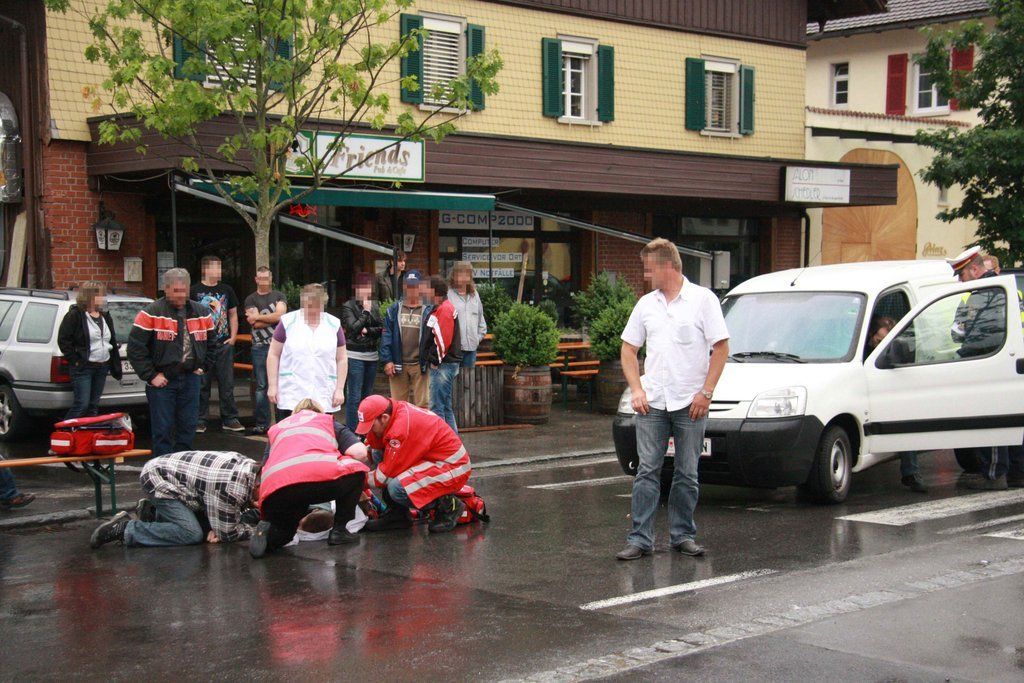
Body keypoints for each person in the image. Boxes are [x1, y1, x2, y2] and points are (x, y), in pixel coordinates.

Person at [616, 238, 730, 561]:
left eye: (649, 269)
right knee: (647, 471)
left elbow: (721, 347)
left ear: (668, 267)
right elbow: (628, 349)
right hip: (653, 402)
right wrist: (637, 389)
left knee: (687, 472)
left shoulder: (703, 300)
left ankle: (683, 536)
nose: (646, 275)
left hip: (690, 402)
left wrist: (706, 392)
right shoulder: (646, 305)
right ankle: (640, 539)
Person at [249, 398, 370, 557]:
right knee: (355, 469)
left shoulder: (277, 429)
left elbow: (265, 467)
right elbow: (360, 453)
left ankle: (268, 536)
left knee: (286, 533)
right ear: (320, 412)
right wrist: (338, 456)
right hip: (316, 483)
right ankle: (340, 530)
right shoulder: (327, 421)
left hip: (278, 489)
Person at [127, 268, 217, 457]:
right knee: (163, 430)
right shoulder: (151, 312)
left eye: (184, 290)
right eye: (176, 291)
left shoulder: (202, 312)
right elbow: (135, 349)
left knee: (188, 428)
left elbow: (213, 344)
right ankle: (161, 467)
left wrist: (203, 367)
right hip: (163, 381)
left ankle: (181, 467)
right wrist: (151, 375)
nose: (181, 295)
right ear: (166, 289)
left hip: (191, 378)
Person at [89, 450, 259, 548]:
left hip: (170, 475)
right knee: (192, 534)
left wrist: (222, 526)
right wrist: (257, 531)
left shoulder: (250, 467)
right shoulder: (232, 487)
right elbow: (228, 534)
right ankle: (127, 529)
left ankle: (153, 512)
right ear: (257, 485)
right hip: (158, 479)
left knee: (212, 523)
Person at [355, 395, 471, 534]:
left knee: (397, 488)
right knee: (377, 453)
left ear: (384, 418)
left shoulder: (400, 429)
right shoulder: (393, 413)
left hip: (452, 466)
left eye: (371, 426)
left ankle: (448, 505)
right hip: (432, 458)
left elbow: (384, 476)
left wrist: (354, 483)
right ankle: (398, 515)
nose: (369, 431)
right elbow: (374, 446)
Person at [267, 283, 346, 422]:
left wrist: (339, 389)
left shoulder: (334, 324)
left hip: (323, 391)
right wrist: (272, 386)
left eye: (317, 306)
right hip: (292, 391)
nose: (313, 310)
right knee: (289, 430)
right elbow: (273, 354)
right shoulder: (288, 321)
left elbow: (342, 358)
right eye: (309, 306)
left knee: (321, 430)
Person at [866, 315, 927, 493]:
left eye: (885, 342)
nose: (881, 346)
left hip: (888, 397)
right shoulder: (861, 349)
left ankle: (911, 473)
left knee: (904, 424)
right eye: (879, 341)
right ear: (871, 335)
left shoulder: (897, 348)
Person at [191, 255, 243, 433]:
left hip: (223, 343)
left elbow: (233, 314)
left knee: (226, 383)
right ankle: (199, 419)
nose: (220, 271)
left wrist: (233, 337)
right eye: (217, 267)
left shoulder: (227, 290)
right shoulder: (194, 291)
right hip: (202, 345)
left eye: (220, 267)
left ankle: (230, 418)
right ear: (206, 269)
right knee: (202, 383)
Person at [57, 280, 123, 419]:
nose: (103, 298)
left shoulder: (105, 316)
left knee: (93, 406)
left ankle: (87, 432)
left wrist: (113, 361)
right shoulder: (75, 315)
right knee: (82, 404)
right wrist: (76, 360)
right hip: (84, 367)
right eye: (101, 295)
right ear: (90, 297)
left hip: (102, 366)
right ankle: (66, 430)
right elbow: (64, 340)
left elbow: (111, 339)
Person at [244, 267, 287, 435]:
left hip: (279, 345)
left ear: (271, 278)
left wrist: (259, 316)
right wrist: (273, 317)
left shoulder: (279, 296)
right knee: (262, 385)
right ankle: (262, 423)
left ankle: (282, 422)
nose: (263, 281)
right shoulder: (250, 298)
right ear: (256, 279)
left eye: (266, 278)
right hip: (259, 346)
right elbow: (254, 323)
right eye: (260, 278)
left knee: (281, 383)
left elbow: (281, 316)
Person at [381, 270, 432, 408]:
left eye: (415, 286)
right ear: (404, 287)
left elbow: (433, 337)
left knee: (423, 405)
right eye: (409, 286)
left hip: (420, 364)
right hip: (398, 364)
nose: (412, 290)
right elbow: (386, 335)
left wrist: (431, 359)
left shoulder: (429, 310)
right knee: (398, 405)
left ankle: (420, 424)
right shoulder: (394, 310)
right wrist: (387, 360)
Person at [340, 273, 383, 431]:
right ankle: (352, 431)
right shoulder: (349, 306)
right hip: (354, 355)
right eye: (362, 287)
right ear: (356, 288)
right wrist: (365, 313)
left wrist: (367, 331)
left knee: (367, 396)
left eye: (368, 288)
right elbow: (352, 329)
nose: (365, 291)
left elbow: (381, 328)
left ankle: (365, 430)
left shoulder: (375, 305)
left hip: (371, 355)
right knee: (354, 396)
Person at [426, 275, 463, 432]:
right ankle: (453, 442)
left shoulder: (444, 309)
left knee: (437, 407)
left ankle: (441, 442)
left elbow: (443, 340)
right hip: (447, 363)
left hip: (443, 365)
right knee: (445, 406)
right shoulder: (445, 307)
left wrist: (435, 360)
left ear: (434, 292)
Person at [447, 261, 487, 368]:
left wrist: (477, 339)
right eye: (460, 274)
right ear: (454, 276)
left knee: (468, 378)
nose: (464, 278)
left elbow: (481, 320)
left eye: (467, 274)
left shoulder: (475, 295)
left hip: (471, 350)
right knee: (454, 378)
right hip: (453, 350)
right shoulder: (448, 295)